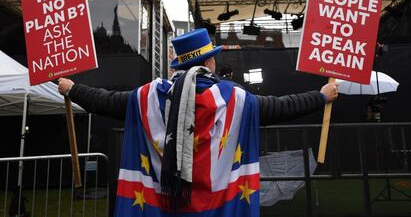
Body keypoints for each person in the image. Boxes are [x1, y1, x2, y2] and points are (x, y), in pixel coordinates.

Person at [58, 28, 338, 216]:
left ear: (179, 65)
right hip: (220, 205)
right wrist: (321, 96)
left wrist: (73, 89)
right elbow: (283, 107)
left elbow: (105, 101)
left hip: (164, 204)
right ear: (211, 62)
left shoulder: (148, 98)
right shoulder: (236, 100)